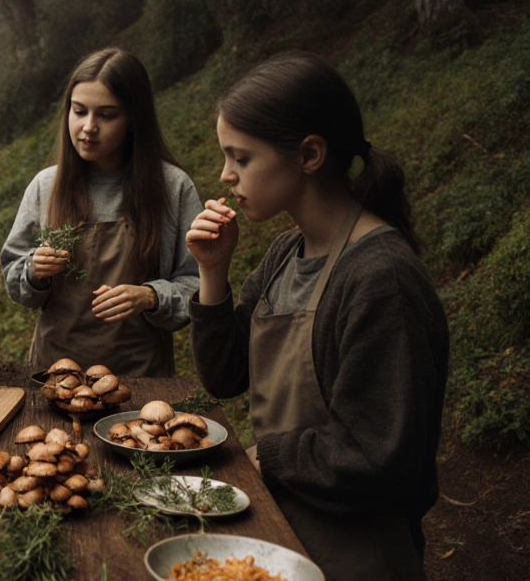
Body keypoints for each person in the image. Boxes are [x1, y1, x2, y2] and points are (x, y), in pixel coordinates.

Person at [186, 52, 448, 580]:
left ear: (308, 154)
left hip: (360, 554)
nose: (225, 174)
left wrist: (267, 459)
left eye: (241, 157)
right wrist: (213, 271)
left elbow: (378, 457)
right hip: (285, 534)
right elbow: (224, 375)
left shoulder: (380, 280)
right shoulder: (287, 252)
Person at [0, 47, 201, 377]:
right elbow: (13, 276)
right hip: (56, 375)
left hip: (141, 379)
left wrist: (151, 295)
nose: (88, 127)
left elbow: (197, 284)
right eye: (79, 111)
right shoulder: (46, 186)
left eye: (107, 115)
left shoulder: (172, 188)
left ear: (134, 119)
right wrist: (34, 270)